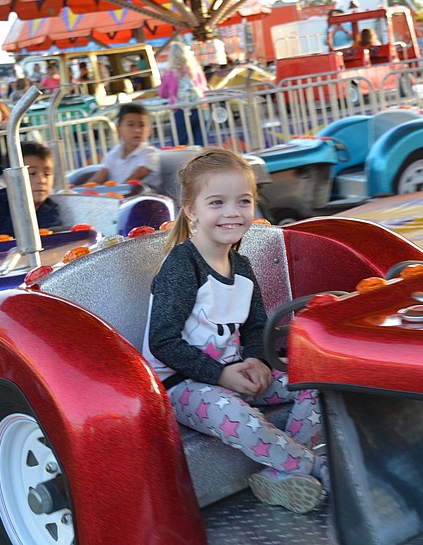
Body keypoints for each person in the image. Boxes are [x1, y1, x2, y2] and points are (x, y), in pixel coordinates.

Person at [143, 148, 327, 513]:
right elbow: (162, 341)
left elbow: (256, 324)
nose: (232, 212)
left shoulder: (240, 265)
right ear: (191, 210)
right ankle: (315, 467)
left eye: (243, 201)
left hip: (233, 370)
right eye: (217, 202)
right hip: (182, 384)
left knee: (314, 380)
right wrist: (221, 375)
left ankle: (282, 475)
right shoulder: (183, 267)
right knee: (234, 414)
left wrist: (257, 360)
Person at [89, 103, 161, 188]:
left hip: (140, 199)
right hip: (116, 196)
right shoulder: (114, 153)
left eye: (141, 125)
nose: (137, 130)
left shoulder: (149, 154)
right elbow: (98, 179)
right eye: (131, 125)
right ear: (119, 130)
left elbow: (132, 181)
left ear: (149, 130)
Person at [157, 42, 207, 147]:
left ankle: (181, 163)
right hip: (199, 108)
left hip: (180, 109)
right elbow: (203, 86)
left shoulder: (170, 73)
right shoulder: (195, 69)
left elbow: (162, 92)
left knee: (179, 144)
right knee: (201, 143)